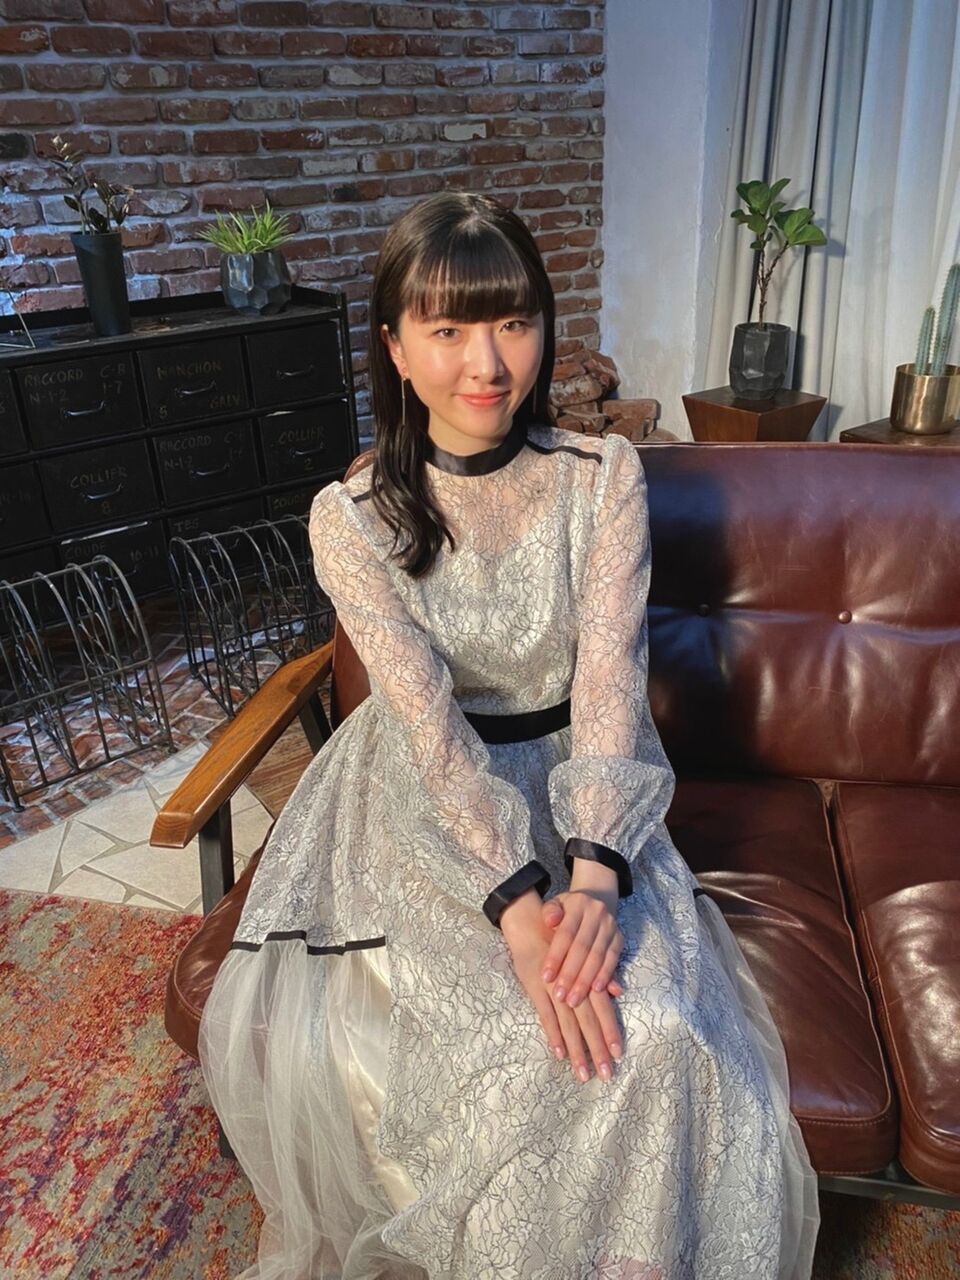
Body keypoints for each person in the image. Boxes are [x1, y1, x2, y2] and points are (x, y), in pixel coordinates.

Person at [199, 192, 820, 1279]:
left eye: (514, 322)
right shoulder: (351, 518)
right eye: (447, 330)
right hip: (426, 805)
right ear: (396, 349)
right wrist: (518, 907)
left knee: (653, 1033)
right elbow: (427, 726)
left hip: (588, 789)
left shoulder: (602, 478)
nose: (488, 364)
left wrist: (593, 880)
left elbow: (610, 680)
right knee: (506, 1053)